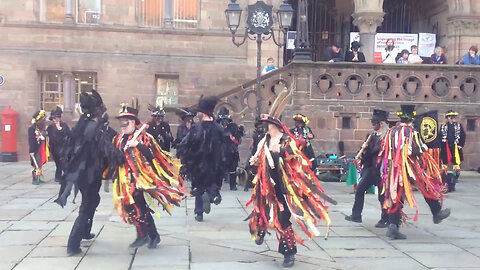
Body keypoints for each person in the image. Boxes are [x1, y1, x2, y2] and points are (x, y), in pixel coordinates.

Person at [248, 89, 332, 268]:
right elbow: (258, 158)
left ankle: (289, 254)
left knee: (284, 218)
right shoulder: (264, 140)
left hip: (284, 187)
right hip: (265, 185)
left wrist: (282, 152)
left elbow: (296, 156)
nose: (264, 126)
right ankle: (260, 231)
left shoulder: (286, 140)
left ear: (274, 124)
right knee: (260, 210)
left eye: (266, 124)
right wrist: (255, 161)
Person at [57, 90, 125, 256]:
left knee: (93, 200)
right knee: (87, 206)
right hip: (88, 174)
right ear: (97, 110)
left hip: (83, 174)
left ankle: (86, 232)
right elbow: (108, 150)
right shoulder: (95, 128)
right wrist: (122, 156)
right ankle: (73, 245)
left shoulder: (82, 124)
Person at [111, 101, 185, 249]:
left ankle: (142, 234)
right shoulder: (118, 139)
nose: (122, 125)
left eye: (125, 122)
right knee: (136, 207)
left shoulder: (144, 137)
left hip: (141, 178)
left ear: (132, 122)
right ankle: (153, 236)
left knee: (134, 205)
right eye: (120, 122)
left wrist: (137, 145)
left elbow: (151, 156)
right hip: (124, 178)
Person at [378, 105, 451, 240]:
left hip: (394, 169)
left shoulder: (391, 131)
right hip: (410, 168)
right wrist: (424, 147)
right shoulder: (412, 132)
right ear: (411, 120)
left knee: (397, 196)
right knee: (426, 187)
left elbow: (385, 148)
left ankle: (393, 226)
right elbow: (417, 150)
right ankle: (436, 212)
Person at [177, 96, 228, 222]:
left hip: (198, 162)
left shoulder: (196, 128)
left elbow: (186, 144)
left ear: (204, 113)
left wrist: (186, 159)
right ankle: (212, 196)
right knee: (212, 184)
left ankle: (198, 212)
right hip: (214, 164)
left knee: (198, 187)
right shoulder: (219, 129)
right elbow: (225, 147)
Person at [345, 109, 389, 228]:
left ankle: (385, 218)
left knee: (382, 195)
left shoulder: (387, 137)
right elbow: (368, 153)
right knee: (360, 189)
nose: (373, 125)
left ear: (381, 124)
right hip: (370, 169)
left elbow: (380, 151)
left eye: (374, 123)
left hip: (382, 170)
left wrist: (369, 149)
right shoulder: (372, 135)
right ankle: (356, 215)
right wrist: (364, 148)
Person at [217, 107, 244, 191]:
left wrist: (233, 137)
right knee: (220, 170)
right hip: (221, 153)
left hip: (232, 153)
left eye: (226, 120)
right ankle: (218, 186)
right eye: (223, 120)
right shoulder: (217, 127)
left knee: (233, 170)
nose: (224, 122)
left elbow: (238, 139)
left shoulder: (233, 127)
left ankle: (233, 186)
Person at [440, 110, 466, 192]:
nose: (452, 119)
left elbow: (463, 136)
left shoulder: (459, 126)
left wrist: (460, 145)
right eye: (450, 117)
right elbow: (439, 136)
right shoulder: (443, 126)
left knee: (456, 163)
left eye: (454, 117)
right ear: (447, 118)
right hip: (446, 146)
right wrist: (440, 145)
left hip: (455, 146)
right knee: (444, 162)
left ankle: (454, 180)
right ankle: (445, 180)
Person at [47, 106, 70, 183]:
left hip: (64, 148)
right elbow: (53, 138)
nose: (54, 120)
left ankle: (63, 177)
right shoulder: (50, 127)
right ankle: (58, 176)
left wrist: (60, 129)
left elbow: (68, 135)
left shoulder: (64, 126)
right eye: (53, 119)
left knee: (63, 163)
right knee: (58, 163)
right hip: (55, 148)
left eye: (55, 118)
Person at [244, 117, 266, 192]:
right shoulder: (256, 135)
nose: (260, 127)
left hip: (262, 154)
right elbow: (253, 145)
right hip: (255, 153)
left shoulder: (264, 135)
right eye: (258, 126)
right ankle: (247, 185)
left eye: (261, 126)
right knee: (251, 170)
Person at [28, 110, 49, 185]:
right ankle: (35, 179)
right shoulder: (32, 129)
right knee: (36, 164)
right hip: (35, 149)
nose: (44, 121)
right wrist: (31, 151)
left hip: (40, 148)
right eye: (42, 119)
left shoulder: (40, 128)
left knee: (39, 164)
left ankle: (39, 178)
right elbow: (31, 140)